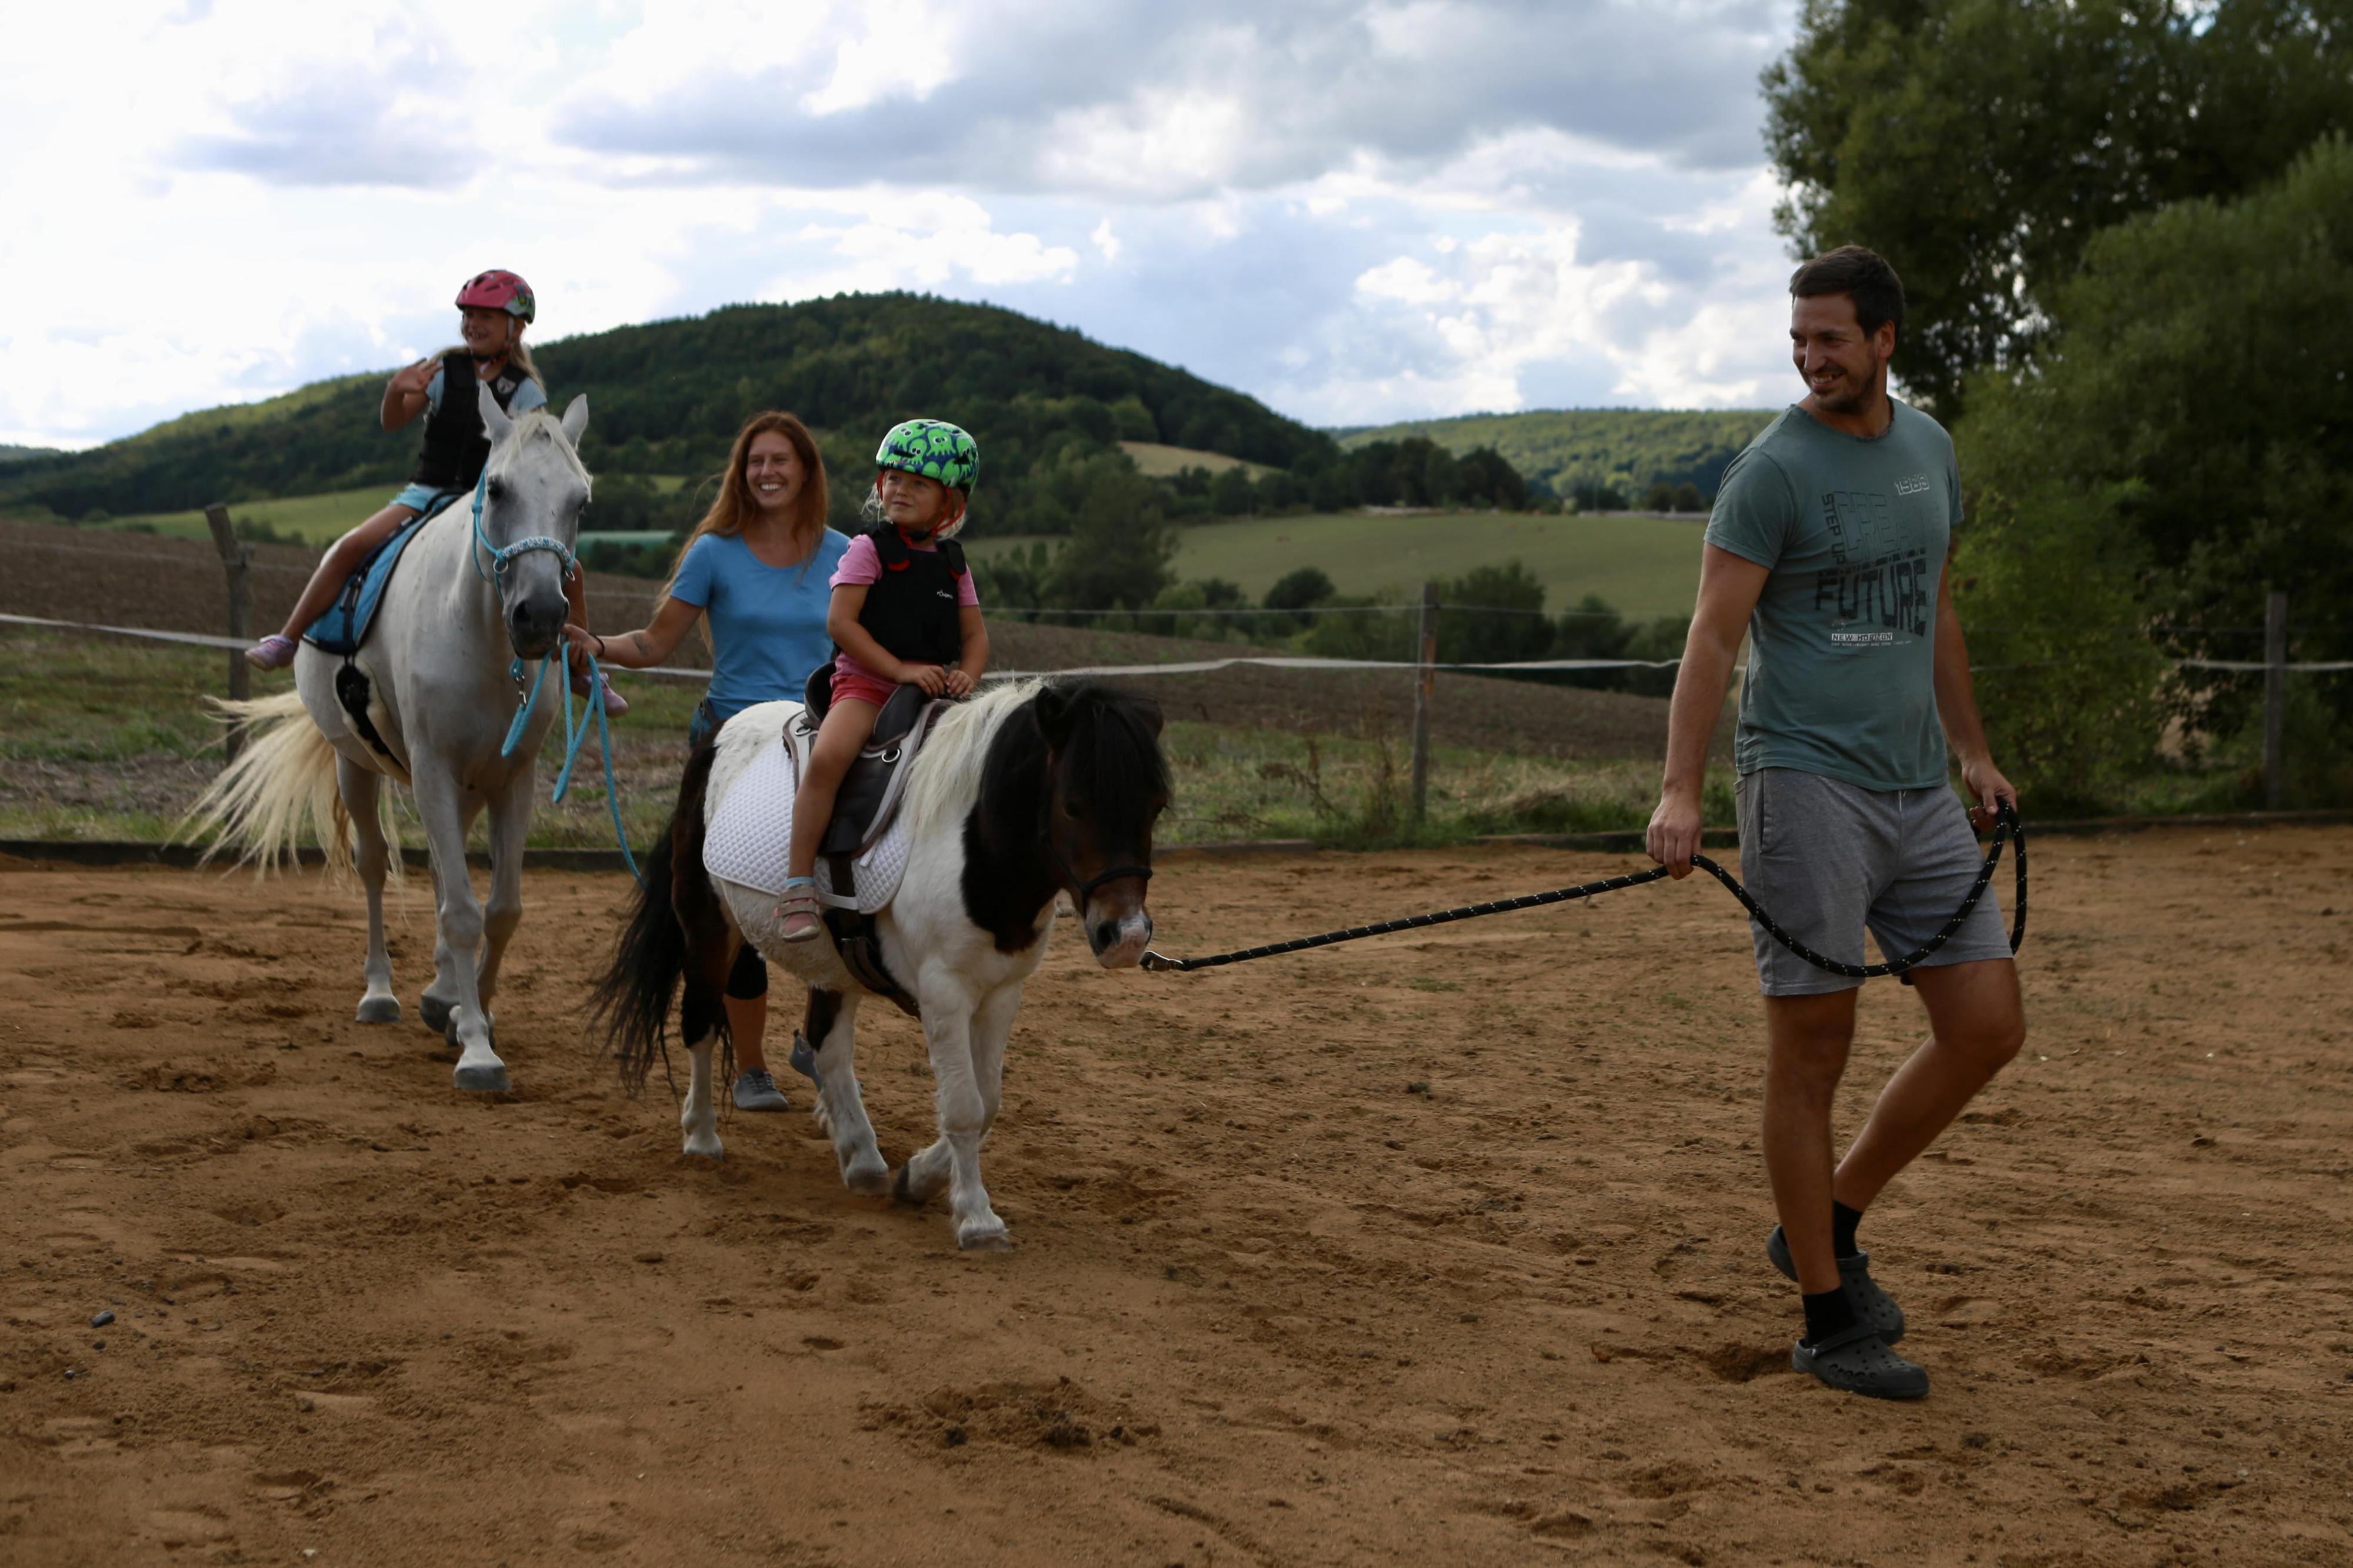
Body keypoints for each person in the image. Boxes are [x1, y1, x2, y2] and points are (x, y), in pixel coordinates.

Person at [1645, 245, 2025, 1401]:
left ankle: (1829, 1215)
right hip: (1802, 781)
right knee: (1811, 1048)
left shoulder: (1928, 451)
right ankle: (1824, 1315)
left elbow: (1933, 609)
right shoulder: (1770, 471)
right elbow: (1711, 637)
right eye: (1797, 340)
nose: (1810, 359)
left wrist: (1971, 749)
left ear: (1883, 342)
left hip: (1917, 788)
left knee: (1985, 1022)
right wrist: (1679, 789)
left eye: (1830, 339)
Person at [564, 412, 849, 1110]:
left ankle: (817, 1040)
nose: (767, 472)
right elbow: (657, 641)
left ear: (806, 470)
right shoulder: (714, 552)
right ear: (740, 472)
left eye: (781, 460)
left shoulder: (846, 553)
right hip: (734, 748)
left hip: (822, 739)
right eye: (755, 461)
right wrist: (596, 645)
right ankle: (750, 1066)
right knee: (734, 916)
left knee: (841, 895)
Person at [246, 270, 624, 716]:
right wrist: (395, 392)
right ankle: (289, 638)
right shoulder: (446, 370)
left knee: (567, 570)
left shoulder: (525, 390)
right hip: (425, 493)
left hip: (485, 500)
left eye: (486, 316)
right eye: (468, 315)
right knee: (350, 548)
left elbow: (528, 458)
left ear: (516, 326)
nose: (473, 324)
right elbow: (394, 421)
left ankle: (578, 668)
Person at [776, 419, 988, 943]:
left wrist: (967, 676)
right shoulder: (867, 550)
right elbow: (840, 624)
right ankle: (798, 885)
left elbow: (976, 637)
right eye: (894, 478)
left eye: (919, 483)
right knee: (829, 759)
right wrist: (898, 671)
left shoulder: (954, 566)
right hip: (867, 686)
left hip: (934, 692)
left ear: (950, 502)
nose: (900, 490)